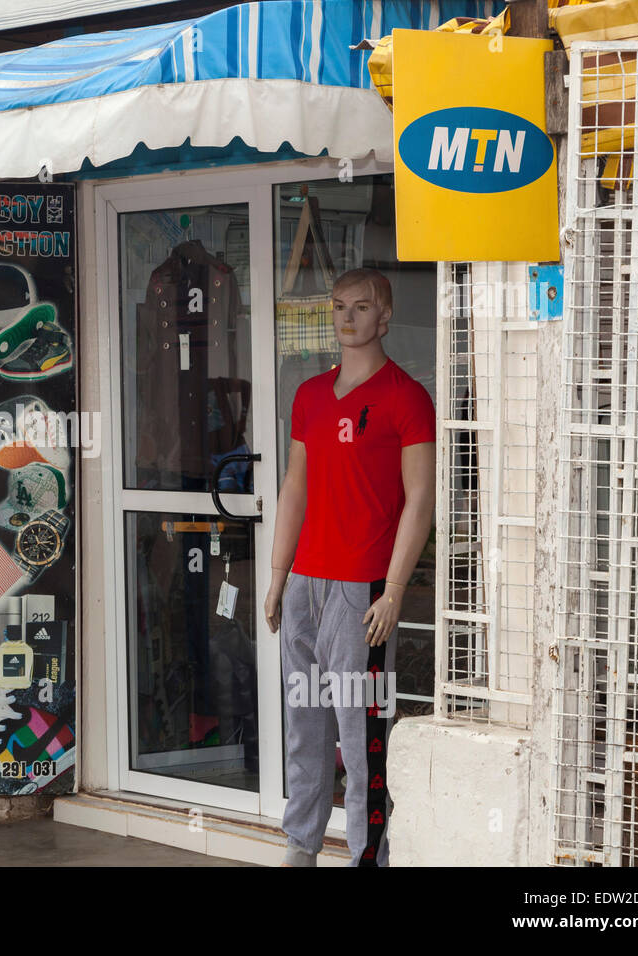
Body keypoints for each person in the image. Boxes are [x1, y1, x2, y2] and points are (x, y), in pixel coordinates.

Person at [264, 267, 435, 867]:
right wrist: (279, 575)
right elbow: (294, 486)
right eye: (338, 306)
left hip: (360, 588)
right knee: (303, 724)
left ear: (384, 316)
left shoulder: (406, 398)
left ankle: (369, 854)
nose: (347, 317)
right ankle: (300, 845)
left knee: (361, 736)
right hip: (307, 581)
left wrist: (392, 589)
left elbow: (421, 499)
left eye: (361, 307)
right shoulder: (310, 395)